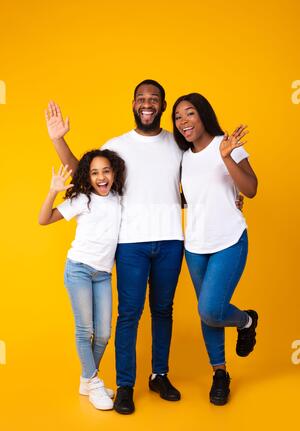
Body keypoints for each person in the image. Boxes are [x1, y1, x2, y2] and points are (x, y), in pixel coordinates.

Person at [45, 81, 184, 414]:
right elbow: (85, 174)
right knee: (129, 316)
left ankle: (159, 374)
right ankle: (124, 385)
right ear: (133, 104)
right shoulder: (117, 146)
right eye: (141, 99)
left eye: (154, 99)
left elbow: (191, 184)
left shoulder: (178, 144)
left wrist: (226, 198)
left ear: (163, 105)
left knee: (163, 311)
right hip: (130, 243)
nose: (147, 104)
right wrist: (58, 139)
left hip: (170, 240)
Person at [172, 93, 258, 405]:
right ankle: (219, 373)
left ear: (203, 114)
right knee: (207, 315)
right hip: (195, 244)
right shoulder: (183, 157)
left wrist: (226, 158)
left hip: (229, 240)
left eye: (190, 114)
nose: (184, 122)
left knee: (210, 309)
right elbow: (192, 197)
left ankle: (247, 321)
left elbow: (250, 189)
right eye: (178, 117)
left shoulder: (228, 144)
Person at [38, 149, 125, 411]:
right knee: (84, 330)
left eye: (106, 171)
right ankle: (94, 383)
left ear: (114, 173)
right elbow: (43, 219)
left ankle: (87, 380)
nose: (101, 177)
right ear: (88, 176)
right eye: (94, 172)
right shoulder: (83, 199)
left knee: (104, 334)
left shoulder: (120, 199)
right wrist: (53, 190)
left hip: (103, 274)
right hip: (78, 269)